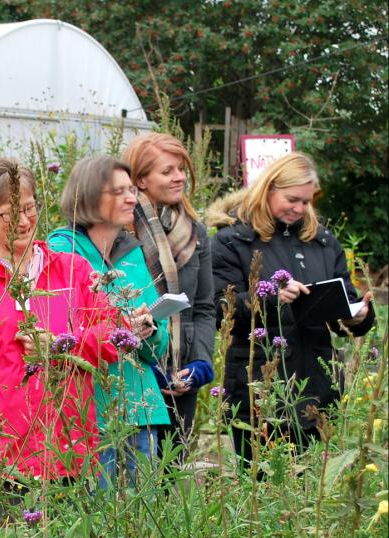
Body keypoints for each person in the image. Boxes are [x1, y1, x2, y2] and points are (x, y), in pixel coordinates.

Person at [0, 158, 122, 482]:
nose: (25, 221)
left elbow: (114, 336)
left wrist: (61, 344)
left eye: (30, 208)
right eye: (10, 212)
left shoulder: (72, 270)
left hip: (69, 453)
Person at [207, 152, 375, 461]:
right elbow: (218, 308)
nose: (299, 208)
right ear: (268, 188)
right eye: (292, 199)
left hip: (317, 385)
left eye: (307, 202)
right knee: (260, 485)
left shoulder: (323, 243)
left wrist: (358, 316)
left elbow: (344, 301)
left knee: (310, 489)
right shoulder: (232, 241)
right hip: (258, 386)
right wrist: (270, 297)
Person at [47, 156, 169, 488]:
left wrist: (149, 328)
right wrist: (120, 327)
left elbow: (160, 345)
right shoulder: (61, 252)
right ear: (87, 195)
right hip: (91, 412)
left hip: (141, 408)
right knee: (98, 521)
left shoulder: (134, 252)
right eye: (118, 191)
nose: (132, 198)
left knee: (143, 519)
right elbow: (58, 336)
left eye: (132, 190)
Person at [122, 133, 216, 458]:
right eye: (167, 171)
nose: (178, 177)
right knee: (131, 476)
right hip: (134, 369)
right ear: (141, 180)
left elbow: (204, 307)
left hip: (181, 370)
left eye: (181, 169)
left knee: (170, 474)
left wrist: (201, 363)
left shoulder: (194, 232)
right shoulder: (120, 231)